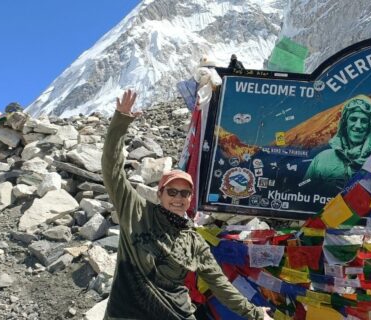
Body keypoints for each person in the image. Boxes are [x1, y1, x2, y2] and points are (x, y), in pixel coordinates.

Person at [102, 90, 272, 320]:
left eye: (184, 193)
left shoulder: (194, 242)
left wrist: (256, 314)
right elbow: (112, 169)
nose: (178, 197)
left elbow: (221, 285)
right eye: (171, 191)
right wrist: (121, 121)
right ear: (160, 194)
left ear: (191, 199)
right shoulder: (136, 211)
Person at [304, 96, 371, 192]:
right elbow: (302, 186)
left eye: (364, 121)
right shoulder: (323, 159)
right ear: (345, 123)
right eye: (353, 119)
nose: (358, 126)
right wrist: (322, 188)